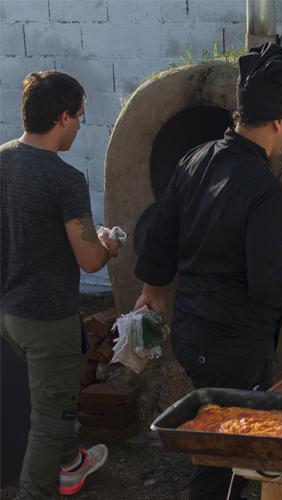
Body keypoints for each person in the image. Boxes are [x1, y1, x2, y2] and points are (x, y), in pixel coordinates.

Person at [133, 43, 282, 500]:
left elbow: (161, 231)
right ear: (279, 121)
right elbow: (270, 286)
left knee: (223, 446)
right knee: (226, 462)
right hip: (232, 345)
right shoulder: (266, 192)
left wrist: (152, 290)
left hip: (191, 331)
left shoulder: (195, 159)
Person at [0, 70, 121, 498]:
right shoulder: (64, 179)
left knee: (51, 398)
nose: (81, 126)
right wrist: (108, 246)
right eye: (82, 117)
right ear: (64, 117)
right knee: (49, 421)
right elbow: (89, 259)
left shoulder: (2, 159)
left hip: (8, 313)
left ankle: (72, 464)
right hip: (48, 318)